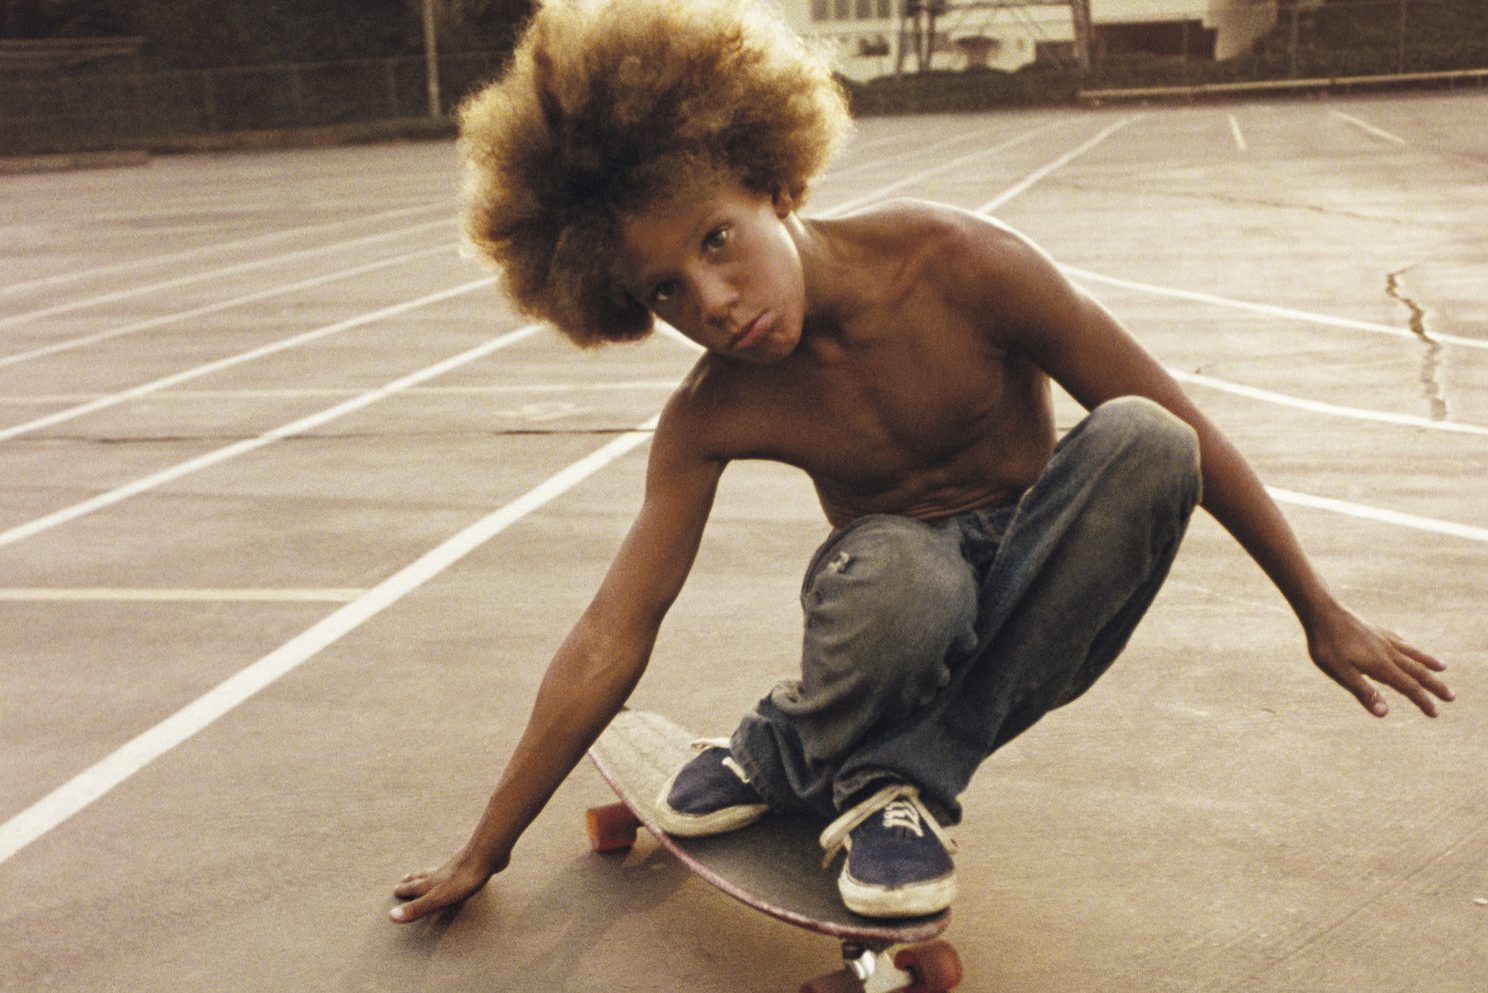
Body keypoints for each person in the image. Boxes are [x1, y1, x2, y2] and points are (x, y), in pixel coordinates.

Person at [390, 0, 1452, 924]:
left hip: (1047, 588)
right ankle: (823, 755)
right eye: (664, 289)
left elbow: (1186, 430)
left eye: (716, 240)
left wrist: (1318, 608)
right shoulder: (711, 413)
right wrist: (489, 844)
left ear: (776, 186)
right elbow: (611, 632)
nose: (710, 303)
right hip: (888, 612)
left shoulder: (963, 264)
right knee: (907, 573)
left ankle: (854, 765)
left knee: (1148, 437)